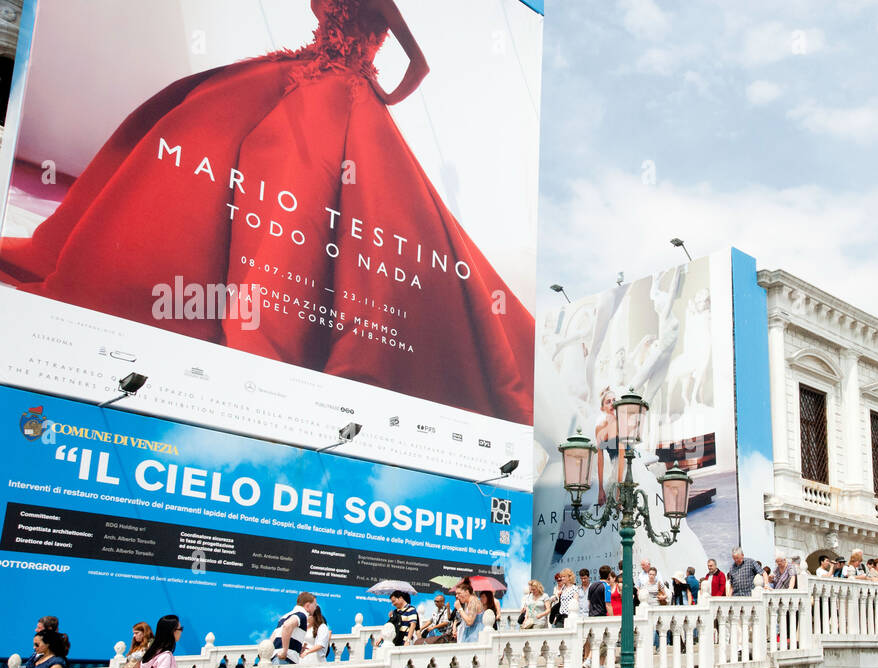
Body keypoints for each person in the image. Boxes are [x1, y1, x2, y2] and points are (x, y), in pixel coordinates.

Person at [0, 0, 533, 424]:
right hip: (303, 70)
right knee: (200, 113)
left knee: (331, 193)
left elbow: (420, 63)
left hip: (346, 91)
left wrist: (378, 91)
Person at [452, 582, 485, 668]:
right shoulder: (469, 602)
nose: (457, 597)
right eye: (456, 594)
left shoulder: (473, 602)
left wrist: (459, 609)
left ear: (467, 591)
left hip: (474, 640)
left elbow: (470, 621)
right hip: (469, 639)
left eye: (459, 594)